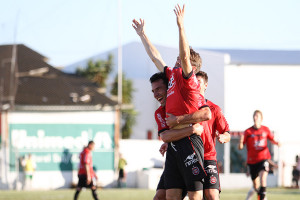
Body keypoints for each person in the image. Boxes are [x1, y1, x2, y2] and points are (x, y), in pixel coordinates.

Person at [134, 4, 211, 200]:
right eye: (177, 59)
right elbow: (155, 57)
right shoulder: (172, 76)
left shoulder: (188, 80)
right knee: (170, 196)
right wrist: (143, 35)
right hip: (175, 143)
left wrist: (181, 26)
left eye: (180, 59)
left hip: (189, 141)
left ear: (191, 67)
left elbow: (185, 55)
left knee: (195, 197)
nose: (177, 61)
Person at [164, 71, 231, 200]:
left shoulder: (214, 109)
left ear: (205, 85)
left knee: (211, 195)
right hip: (189, 153)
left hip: (207, 157)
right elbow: (177, 128)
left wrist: (223, 137)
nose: (196, 85)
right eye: (194, 82)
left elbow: (227, 132)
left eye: (199, 82)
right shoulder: (187, 106)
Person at [150, 72, 205, 200]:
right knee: (160, 196)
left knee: (203, 196)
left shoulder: (187, 98)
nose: (155, 94)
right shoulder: (159, 112)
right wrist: (191, 129)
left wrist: (178, 121)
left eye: (158, 89)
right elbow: (165, 136)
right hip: (174, 154)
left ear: (169, 87)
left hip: (193, 150)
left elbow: (206, 115)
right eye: (153, 91)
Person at [239, 110, 280, 200]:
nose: (255, 118)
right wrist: (241, 142)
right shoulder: (248, 132)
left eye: (257, 116)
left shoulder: (265, 129)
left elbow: (272, 139)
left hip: (263, 159)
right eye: (254, 116)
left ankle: (262, 198)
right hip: (252, 161)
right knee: (256, 186)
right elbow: (240, 147)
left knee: (263, 179)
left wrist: (277, 143)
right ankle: (257, 196)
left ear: (261, 119)